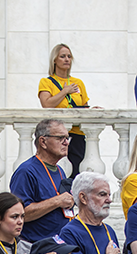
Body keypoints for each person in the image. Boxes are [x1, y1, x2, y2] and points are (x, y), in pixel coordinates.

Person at [10, 119, 75, 244]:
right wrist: (57, 201)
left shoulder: (60, 170)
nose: (66, 142)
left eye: (67, 138)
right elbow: (20, 214)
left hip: (60, 245)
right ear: (43, 142)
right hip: (37, 247)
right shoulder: (26, 171)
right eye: (60, 138)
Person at [38, 44, 92, 178]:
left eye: (69, 56)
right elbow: (46, 104)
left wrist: (91, 109)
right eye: (62, 56)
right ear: (55, 60)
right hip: (56, 135)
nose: (66, 59)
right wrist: (65, 91)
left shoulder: (77, 82)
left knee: (76, 173)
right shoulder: (46, 82)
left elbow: (83, 105)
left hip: (77, 133)